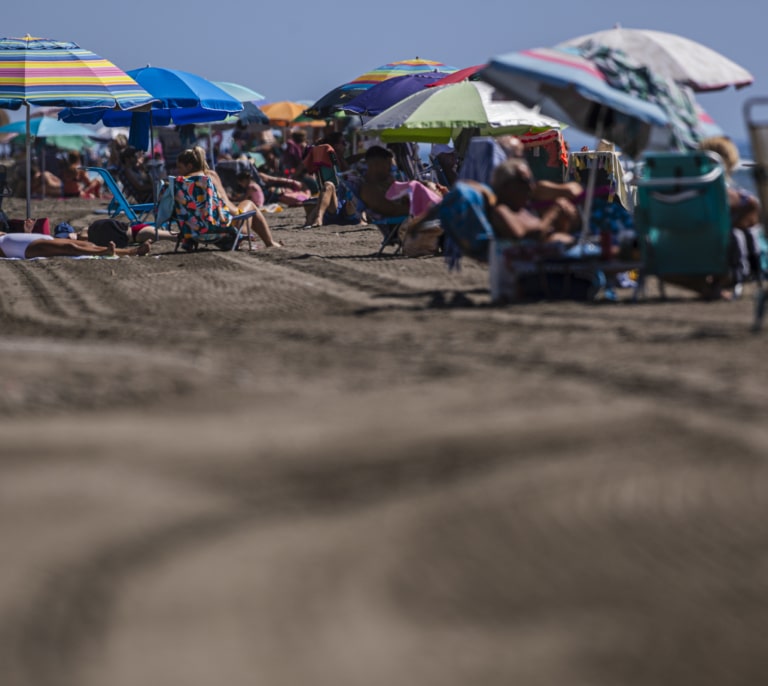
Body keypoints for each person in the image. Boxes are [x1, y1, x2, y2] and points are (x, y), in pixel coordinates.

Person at [175, 148, 281, 248]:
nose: (178, 171)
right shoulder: (210, 176)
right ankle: (270, 242)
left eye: (179, 167)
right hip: (225, 230)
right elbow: (225, 206)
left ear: (189, 166)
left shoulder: (179, 184)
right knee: (249, 204)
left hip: (194, 232)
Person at [0, 223, 150, 259]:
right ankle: (105, 252)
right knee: (69, 247)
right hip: (22, 248)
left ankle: (132, 251)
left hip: (30, 239)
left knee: (87, 244)